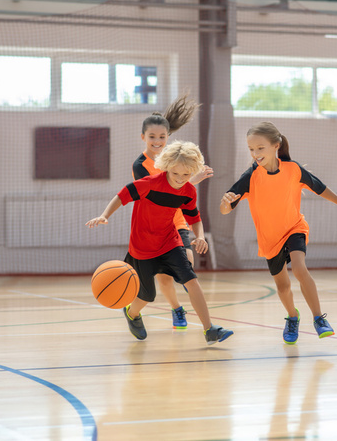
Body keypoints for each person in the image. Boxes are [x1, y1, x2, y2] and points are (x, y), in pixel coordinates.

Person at [220, 121, 337, 345]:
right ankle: (293, 317)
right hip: (269, 239)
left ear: (276, 145)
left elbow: (320, 187)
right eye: (251, 149)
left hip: (294, 227)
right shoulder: (251, 177)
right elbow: (225, 209)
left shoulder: (293, 170)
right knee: (283, 286)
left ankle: (318, 318)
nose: (255, 153)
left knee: (299, 267)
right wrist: (225, 203)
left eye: (260, 147)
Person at [87, 140, 233, 345]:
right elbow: (122, 196)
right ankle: (131, 313)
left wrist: (199, 236)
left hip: (169, 243)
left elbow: (194, 217)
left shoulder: (189, 191)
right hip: (142, 249)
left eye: (186, 175)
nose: (181, 179)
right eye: (176, 174)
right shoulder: (148, 184)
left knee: (191, 281)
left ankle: (210, 329)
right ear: (166, 167)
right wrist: (104, 215)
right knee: (147, 297)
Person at [132, 94, 213, 330]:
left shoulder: (176, 159)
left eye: (162, 137)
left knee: (187, 262)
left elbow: (180, 192)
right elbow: (159, 194)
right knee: (164, 279)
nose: (157, 141)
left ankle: (197, 307)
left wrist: (190, 176)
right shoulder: (140, 165)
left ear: (168, 137)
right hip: (152, 226)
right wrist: (193, 181)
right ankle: (177, 308)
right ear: (144, 138)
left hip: (175, 221)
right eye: (152, 137)